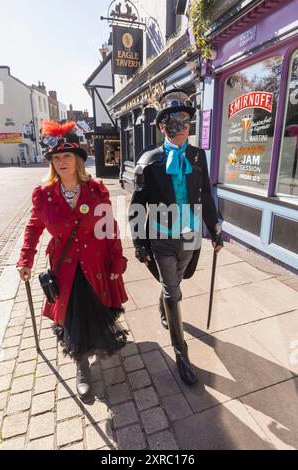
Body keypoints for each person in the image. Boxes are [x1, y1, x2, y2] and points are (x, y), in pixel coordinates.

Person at [17, 120, 128, 402]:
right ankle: (82, 367)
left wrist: (117, 260)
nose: (61, 161)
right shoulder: (44, 194)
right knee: (72, 318)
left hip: (96, 263)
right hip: (65, 268)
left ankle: (93, 350)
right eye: (56, 157)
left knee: (98, 311)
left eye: (67, 156)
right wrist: (25, 259)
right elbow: (33, 226)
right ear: (51, 162)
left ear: (78, 159)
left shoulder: (97, 189)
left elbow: (110, 227)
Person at [129, 89, 223, 386]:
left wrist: (215, 229)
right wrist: (139, 242)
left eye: (185, 121)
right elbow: (137, 205)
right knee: (174, 291)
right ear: (162, 126)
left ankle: (163, 307)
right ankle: (181, 353)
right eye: (173, 122)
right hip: (161, 236)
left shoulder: (198, 155)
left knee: (176, 282)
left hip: (191, 234)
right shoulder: (150, 159)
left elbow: (205, 195)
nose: (181, 127)